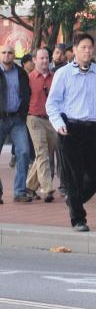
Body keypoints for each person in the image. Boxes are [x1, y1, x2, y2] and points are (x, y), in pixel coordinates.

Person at [46, 33, 96, 232]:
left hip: (94, 130)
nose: (88, 51)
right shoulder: (63, 74)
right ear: (75, 50)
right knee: (74, 175)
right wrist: (57, 123)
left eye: (90, 47)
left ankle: (74, 200)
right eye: (84, 47)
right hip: (70, 130)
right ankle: (78, 219)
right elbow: (51, 103)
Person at [0, 44, 34, 204]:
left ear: (14, 55)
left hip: (17, 119)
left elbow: (27, 93)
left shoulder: (21, 73)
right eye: (4, 52)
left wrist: (23, 112)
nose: (7, 55)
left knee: (24, 152)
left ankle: (19, 191)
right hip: (0, 118)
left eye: (10, 53)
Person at [25, 47, 57, 203]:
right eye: (41, 58)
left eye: (46, 58)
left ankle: (29, 187)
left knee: (44, 154)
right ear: (35, 60)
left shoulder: (55, 78)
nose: (45, 61)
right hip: (33, 118)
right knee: (42, 152)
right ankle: (47, 187)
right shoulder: (29, 78)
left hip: (51, 120)